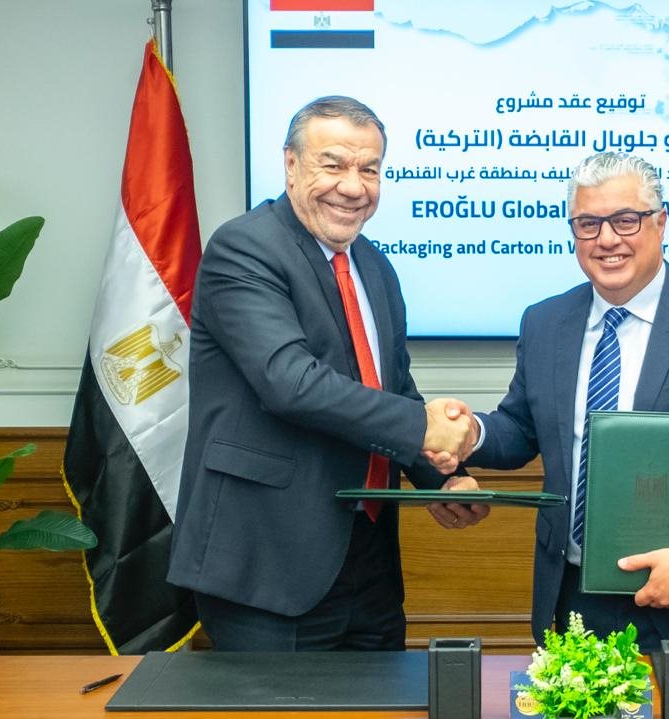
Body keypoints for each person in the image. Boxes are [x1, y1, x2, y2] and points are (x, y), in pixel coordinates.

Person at [435, 152, 669, 650]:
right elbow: (522, 429)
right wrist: (470, 432)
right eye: (588, 224)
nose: (607, 239)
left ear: (661, 222)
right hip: (575, 599)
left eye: (626, 220)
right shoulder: (545, 322)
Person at [168, 96, 486, 652]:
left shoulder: (375, 266)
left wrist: (441, 478)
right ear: (291, 165)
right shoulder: (244, 248)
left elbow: (392, 390)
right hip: (267, 564)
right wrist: (424, 427)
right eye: (333, 164)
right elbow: (290, 383)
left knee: (382, 700)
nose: (353, 187)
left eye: (370, 170)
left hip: (369, 563)